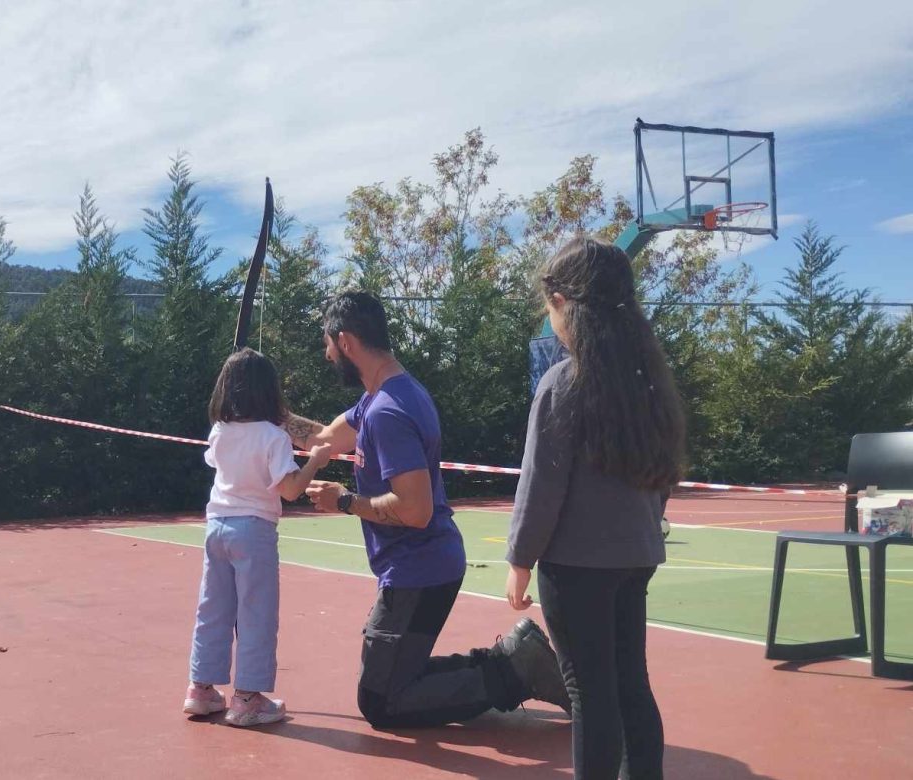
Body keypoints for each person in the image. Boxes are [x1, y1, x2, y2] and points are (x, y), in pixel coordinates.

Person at [287, 291, 569, 729]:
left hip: (419, 571)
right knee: (389, 687)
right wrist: (266, 410)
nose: (326, 355)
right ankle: (515, 662)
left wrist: (344, 501)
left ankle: (517, 666)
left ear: (345, 343)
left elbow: (415, 511)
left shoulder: (387, 412)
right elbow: (322, 438)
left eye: (327, 345)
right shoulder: (385, 395)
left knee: (383, 702)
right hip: (421, 567)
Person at [506, 237, 682, 779]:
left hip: (578, 565)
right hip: (637, 556)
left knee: (590, 695)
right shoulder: (649, 382)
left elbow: (541, 485)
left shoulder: (564, 382)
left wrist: (519, 561)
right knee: (632, 685)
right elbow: (663, 474)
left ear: (564, 303)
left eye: (549, 304)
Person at [185, 348, 334, 727]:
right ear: (268, 391)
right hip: (253, 531)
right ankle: (248, 699)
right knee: (256, 614)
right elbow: (289, 489)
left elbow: (222, 465)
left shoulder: (220, 431)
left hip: (216, 527)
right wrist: (315, 459)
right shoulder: (273, 436)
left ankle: (200, 691)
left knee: (212, 610)